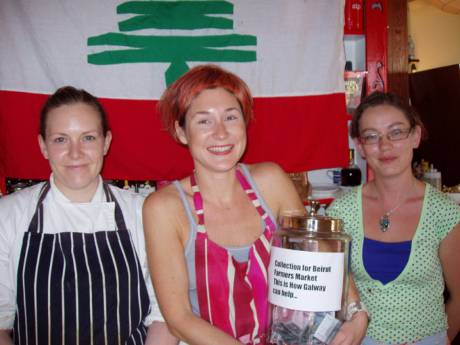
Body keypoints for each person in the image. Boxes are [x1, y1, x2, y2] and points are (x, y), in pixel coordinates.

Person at [143, 64, 368, 345]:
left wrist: (357, 314)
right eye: (204, 121)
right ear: (182, 132)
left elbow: (321, 258)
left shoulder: (271, 182)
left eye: (231, 117)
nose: (221, 133)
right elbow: (179, 320)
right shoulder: (165, 208)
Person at [0, 86, 175, 344]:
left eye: (88, 138)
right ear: (43, 146)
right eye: (61, 139)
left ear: (106, 142)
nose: (75, 153)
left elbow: (166, 315)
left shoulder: (144, 212)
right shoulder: (9, 215)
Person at [327, 91, 460, 344]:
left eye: (396, 132)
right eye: (372, 136)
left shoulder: (446, 214)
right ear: (360, 146)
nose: (385, 146)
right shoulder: (340, 212)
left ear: (416, 136)